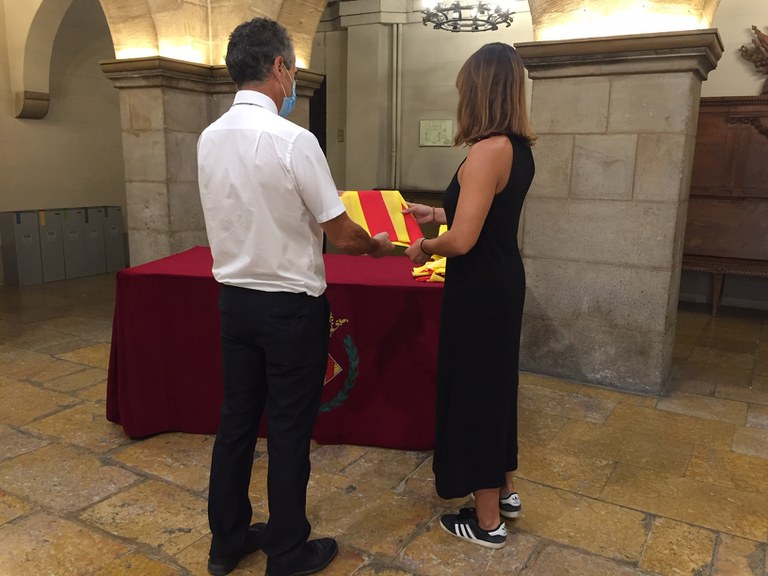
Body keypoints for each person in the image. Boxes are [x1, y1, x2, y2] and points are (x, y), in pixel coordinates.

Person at [197, 17, 393, 576]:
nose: (294, 83)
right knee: (287, 429)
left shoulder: (210, 137)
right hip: (288, 308)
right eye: (294, 70)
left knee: (236, 422)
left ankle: (226, 542)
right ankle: (286, 551)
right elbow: (342, 234)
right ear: (280, 67)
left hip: (234, 303)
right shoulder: (293, 139)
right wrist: (376, 246)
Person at [404, 42, 535, 549]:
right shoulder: (516, 148)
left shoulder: (486, 151)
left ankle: (486, 521)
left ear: (479, 91)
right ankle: (505, 490)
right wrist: (436, 213)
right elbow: (486, 214)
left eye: (464, 89)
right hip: (501, 280)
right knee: (497, 386)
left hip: (479, 287)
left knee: (477, 392)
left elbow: (462, 241)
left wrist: (424, 246)